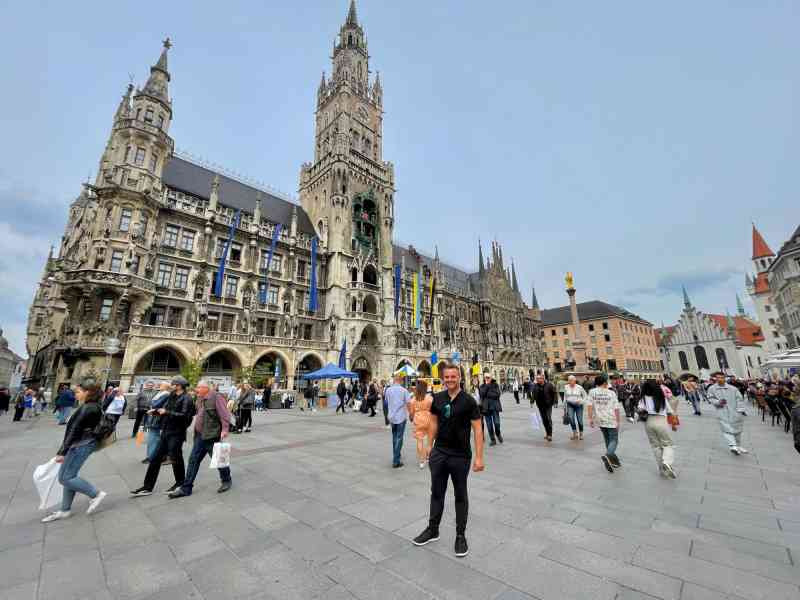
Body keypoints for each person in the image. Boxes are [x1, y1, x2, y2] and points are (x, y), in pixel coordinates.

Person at [412, 362, 484, 558]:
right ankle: (432, 529)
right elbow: (434, 421)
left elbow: (477, 429)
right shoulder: (438, 398)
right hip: (440, 453)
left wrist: (479, 457)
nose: (450, 380)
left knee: (460, 495)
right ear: (443, 378)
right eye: (447, 377)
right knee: (436, 492)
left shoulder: (469, 401)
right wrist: (429, 445)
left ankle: (460, 536)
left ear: (460, 377)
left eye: (453, 376)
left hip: (461, 455)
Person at [41, 377, 108, 523]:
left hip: (81, 444)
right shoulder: (92, 405)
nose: (75, 394)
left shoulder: (88, 407)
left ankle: (96, 494)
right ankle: (65, 510)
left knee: (66, 477)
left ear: (88, 392)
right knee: (69, 476)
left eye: (78, 391)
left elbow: (74, 431)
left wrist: (61, 452)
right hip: (81, 443)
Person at [130, 376, 193, 497]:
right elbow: (166, 409)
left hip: (177, 433)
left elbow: (185, 416)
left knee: (176, 459)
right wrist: (155, 411)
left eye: (173, 383)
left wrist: (167, 412)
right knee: (155, 459)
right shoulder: (172, 395)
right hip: (166, 431)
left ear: (179, 385)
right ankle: (147, 487)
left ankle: (180, 483)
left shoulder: (187, 398)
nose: (171, 385)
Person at [169, 380, 232, 498]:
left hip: (212, 435)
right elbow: (197, 413)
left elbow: (225, 415)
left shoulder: (216, 397)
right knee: (193, 460)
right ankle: (186, 488)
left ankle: (226, 480)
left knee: (219, 460)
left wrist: (224, 430)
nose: (196, 389)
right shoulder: (199, 398)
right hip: (199, 436)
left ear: (206, 388)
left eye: (198, 387)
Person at [639, 379, 677, 478]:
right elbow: (671, 412)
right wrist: (673, 424)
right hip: (661, 420)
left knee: (655, 446)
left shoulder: (643, 398)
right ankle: (667, 462)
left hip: (649, 422)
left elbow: (640, 410)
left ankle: (662, 469)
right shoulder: (661, 397)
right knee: (667, 444)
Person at [706, 371, 748, 455]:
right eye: (717, 378)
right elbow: (710, 398)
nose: (720, 379)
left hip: (735, 411)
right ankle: (732, 446)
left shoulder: (733, 388)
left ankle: (738, 446)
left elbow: (739, 399)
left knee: (737, 430)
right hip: (722, 411)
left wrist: (740, 410)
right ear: (715, 379)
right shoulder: (712, 389)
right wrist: (718, 402)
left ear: (724, 378)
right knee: (726, 429)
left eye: (721, 377)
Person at [587, 374, 621, 473]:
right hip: (611, 418)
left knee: (607, 439)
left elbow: (589, 406)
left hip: (600, 419)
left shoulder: (592, 392)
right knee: (614, 440)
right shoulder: (611, 393)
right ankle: (608, 455)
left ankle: (613, 460)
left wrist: (590, 419)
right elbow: (616, 408)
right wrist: (618, 421)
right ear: (605, 383)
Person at [383, 374, 411, 468]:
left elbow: (386, 402)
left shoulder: (388, 390)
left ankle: (397, 455)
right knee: (399, 438)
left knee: (395, 437)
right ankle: (396, 460)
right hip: (400, 417)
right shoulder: (404, 390)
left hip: (391, 417)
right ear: (401, 381)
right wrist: (411, 414)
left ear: (394, 380)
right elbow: (408, 403)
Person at [409, 379, 434, 469]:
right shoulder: (429, 398)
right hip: (428, 419)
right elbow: (433, 410)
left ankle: (421, 461)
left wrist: (411, 418)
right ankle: (428, 456)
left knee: (420, 441)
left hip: (418, 419)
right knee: (430, 440)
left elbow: (411, 412)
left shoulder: (413, 399)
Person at [143, 382, 171, 464]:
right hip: (153, 417)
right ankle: (151, 456)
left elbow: (155, 404)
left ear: (166, 387)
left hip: (157, 418)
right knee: (152, 438)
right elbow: (151, 404)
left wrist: (151, 404)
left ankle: (152, 457)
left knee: (153, 438)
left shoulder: (165, 394)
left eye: (161, 385)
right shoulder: (159, 393)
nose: (159, 385)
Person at [478, 371, 503, 446]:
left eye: (488, 377)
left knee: (497, 423)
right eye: (486, 377)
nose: (487, 379)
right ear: (484, 378)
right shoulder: (482, 386)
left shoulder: (495, 385)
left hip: (494, 407)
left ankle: (498, 433)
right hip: (486, 408)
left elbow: (497, 394)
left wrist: (488, 394)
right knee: (489, 425)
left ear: (491, 378)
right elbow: (482, 394)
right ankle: (493, 439)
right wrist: (487, 386)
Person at [531, 374, 556, 441]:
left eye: (539, 379)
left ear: (543, 379)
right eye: (537, 379)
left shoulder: (549, 385)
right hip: (540, 405)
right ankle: (547, 433)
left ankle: (550, 435)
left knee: (548, 418)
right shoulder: (535, 386)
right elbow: (533, 394)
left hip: (548, 405)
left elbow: (554, 393)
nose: (537, 380)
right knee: (544, 420)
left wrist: (553, 402)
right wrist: (532, 401)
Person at [563, 375, 588, 440]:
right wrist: (564, 405)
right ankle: (575, 433)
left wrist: (581, 401)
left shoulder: (579, 387)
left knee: (580, 420)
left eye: (572, 380)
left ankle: (581, 433)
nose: (570, 381)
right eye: (569, 380)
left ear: (575, 380)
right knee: (571, 419)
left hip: (578, 405)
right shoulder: (566, 387)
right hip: (570, 404)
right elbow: (565, 396)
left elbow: (585, 395)